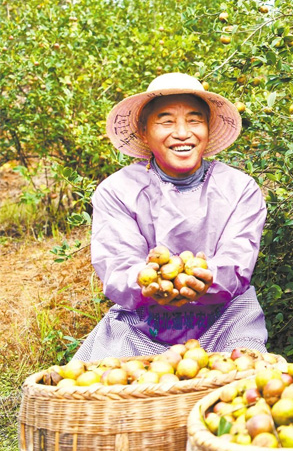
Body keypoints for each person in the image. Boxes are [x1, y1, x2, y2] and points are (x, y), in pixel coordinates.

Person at [73, 73, 268, 361]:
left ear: (207, 128)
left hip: (226, 319)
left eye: (194, 120)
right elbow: (118, 266)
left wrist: (206, 280)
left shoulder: (240, 188)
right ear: (143, 132)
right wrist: (148, 285)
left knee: (242, 384)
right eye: (166, 121)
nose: (182, 133)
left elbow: (237, 263)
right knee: (110, 391)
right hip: (142, 326)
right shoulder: (117, 191)